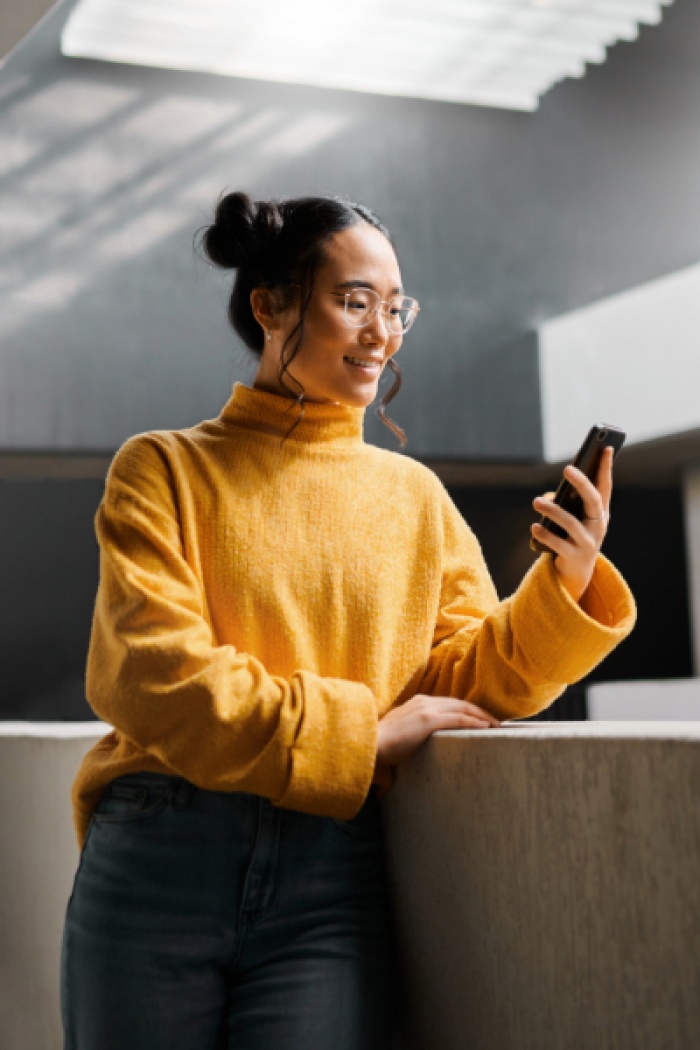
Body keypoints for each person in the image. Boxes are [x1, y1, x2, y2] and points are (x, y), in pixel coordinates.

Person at [60, 192, 636, 1049]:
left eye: (395, 307)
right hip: (160, 858)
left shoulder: (413, 498)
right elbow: (153, 676)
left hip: (330, 878)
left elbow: (470, 684)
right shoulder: (163, 469)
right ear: (272, 304)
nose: (382, 333)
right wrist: (359, 738)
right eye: (354, 300)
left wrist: (569, 578)